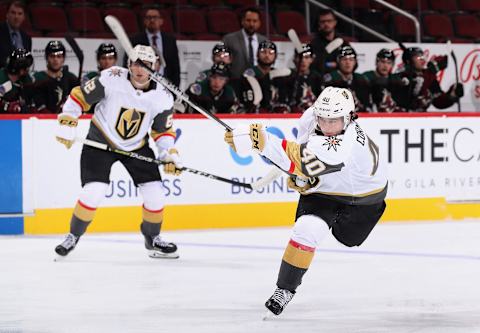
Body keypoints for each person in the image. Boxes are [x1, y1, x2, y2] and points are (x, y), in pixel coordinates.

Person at [224, 86, 387, 316]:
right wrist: (296, 172)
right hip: (327, 191)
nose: (328, 126)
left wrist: (259, 141)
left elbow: (298, 158)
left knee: (350, 240)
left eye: (335, 121)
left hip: (364, 199)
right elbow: (300, 151)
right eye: (324, 119)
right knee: (305, 230)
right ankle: (284, 290)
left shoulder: (343, 146)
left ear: (349, 117)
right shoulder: (312, 117)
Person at [54, 45, 183, 259]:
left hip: (136, 146)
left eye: (146, 65)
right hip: (100, 141)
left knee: (156, 194)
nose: (140, 70)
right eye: (135, 64)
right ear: (128, 64)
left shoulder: (163, 96)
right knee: (94, 191)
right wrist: (68, 119)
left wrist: (168, 153)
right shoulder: (110, 78)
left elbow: (162, 131)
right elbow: (79, 97)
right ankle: (72, 236)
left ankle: (152, 240)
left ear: (155, 66)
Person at [395, 47, 463, 112]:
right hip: (402, 118)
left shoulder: (429, 76)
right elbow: (413, 94)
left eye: (422, 56)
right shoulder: (401, 76)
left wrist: (452, 95)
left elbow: (438, 102)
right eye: (418, 57)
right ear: (408, 61)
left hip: (422, 118)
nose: (422, 59)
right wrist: (430, 72)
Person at [128, 7, 180, 86]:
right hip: (143, 83)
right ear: (144, 21)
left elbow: (175, 67)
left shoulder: (170, 40)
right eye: (149, 18)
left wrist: (174, 88)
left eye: (155, 17)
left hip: (165, 83)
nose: (152, 20)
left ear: (161, 21)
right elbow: (128, 63)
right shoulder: (135, 40)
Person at [235, 40, 291, 113]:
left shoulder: (278, 75)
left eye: (271, 52)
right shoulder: (249, 74)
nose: (267, 55)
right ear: (257, 54)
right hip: (254, 114)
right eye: (263, 52)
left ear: (275, 56)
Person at [32, 41, 79, 113]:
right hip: (42, 121)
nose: (55, 59)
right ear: (46, 58)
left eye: (59, 56)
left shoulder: (71, 79)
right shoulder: (38, 79)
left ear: (63, 59)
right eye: (52, 56)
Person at [323, 45, 371, 112]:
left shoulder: (362, 79)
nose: (348, 62)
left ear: (355, 62)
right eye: (344, 59)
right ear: (338, 61)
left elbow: (367, 104)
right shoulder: (331, 80)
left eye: (351, 59)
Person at [223, 7, 267, 79]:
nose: (251, 24)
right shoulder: (229, 39)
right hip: (236, 81)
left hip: (259, 81)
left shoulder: (264, 41)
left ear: (259, 23)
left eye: (255, 21)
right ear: (242, 21)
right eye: (248, 20)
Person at [362, 48, 408, 113]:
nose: (385, 65)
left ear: (392, 65)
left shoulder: (396, 80)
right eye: (383, 62)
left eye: (389, 63)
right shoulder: (366, 77)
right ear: (377, 62)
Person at [282, 43, 323, 113]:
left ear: (312, 59)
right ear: (295, 59)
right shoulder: (287, 78)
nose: (303, 60)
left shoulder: (317, 78)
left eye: (306, 57)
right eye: (300, 57)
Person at [310, 9, 349, 76]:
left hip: (340, 79)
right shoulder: (314, 44)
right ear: (319, 24)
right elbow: (314, 64)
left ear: (335, 22)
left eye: (329, 21)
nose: (326, 24)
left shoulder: (342, 42)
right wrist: (334, 64)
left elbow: (352, 63)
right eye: (323, 22)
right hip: (321, 78)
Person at [0, 48, 33, 113]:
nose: (28, 69)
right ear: (20, 69)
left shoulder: (26, 79)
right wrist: (6, 105)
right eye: (27, 67)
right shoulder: (1, 77)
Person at [0, 1, 32, 68]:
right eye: (13, 13)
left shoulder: (26, 38)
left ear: (24, 17)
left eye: (20, 14)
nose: (16, 17)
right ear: (7, 14)